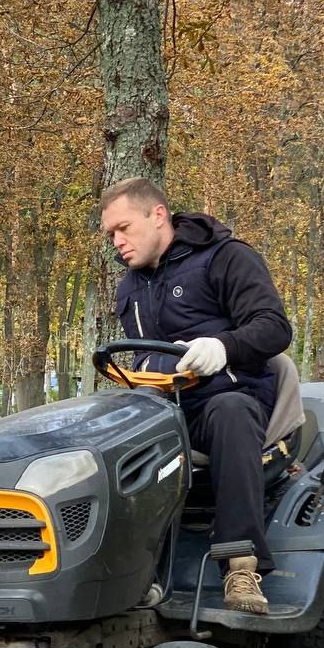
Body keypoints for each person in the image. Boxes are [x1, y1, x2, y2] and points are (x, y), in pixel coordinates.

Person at [100, 176, 293, 614]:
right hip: (166, 405)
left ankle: (240, 567)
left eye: (124, 228)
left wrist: (223, 346)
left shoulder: (227, 258)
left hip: (227, 397)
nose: (118, 242)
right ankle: (128, 574)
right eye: (111, 234)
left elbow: (275, 328)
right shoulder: (130, 286)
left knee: (231, 412)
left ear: (158, 215)